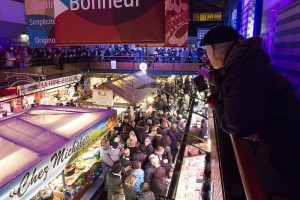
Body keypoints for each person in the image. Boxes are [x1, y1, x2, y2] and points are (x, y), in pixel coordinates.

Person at [201, 26, 300, 199]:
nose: (206, 58)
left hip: (281, 164)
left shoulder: (244, 72)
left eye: (207, 52)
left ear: (214, 50)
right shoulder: (244, 66)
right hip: (277, 157)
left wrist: (216, 102)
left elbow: (236, 123)